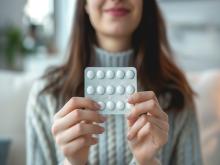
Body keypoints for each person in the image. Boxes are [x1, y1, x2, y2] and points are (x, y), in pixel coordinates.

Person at [26, 0, 203, 165]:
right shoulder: (46, 94)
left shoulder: (176, 94)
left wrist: (147, 162)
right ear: (85, 4)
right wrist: (73, 163)